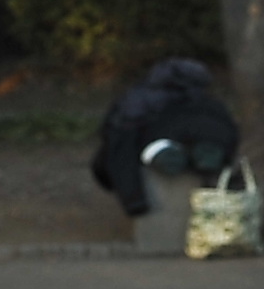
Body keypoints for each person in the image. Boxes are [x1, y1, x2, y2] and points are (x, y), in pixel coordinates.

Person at [89, 55, 240, 226]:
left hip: (152, 139)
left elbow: (118, 141)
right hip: (208, 134)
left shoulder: (138, 98)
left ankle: (162, 152)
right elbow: (231, 131)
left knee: (136, 147)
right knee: (211, 141)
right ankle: (201, 154)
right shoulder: (209, 102)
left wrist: (134, 202)